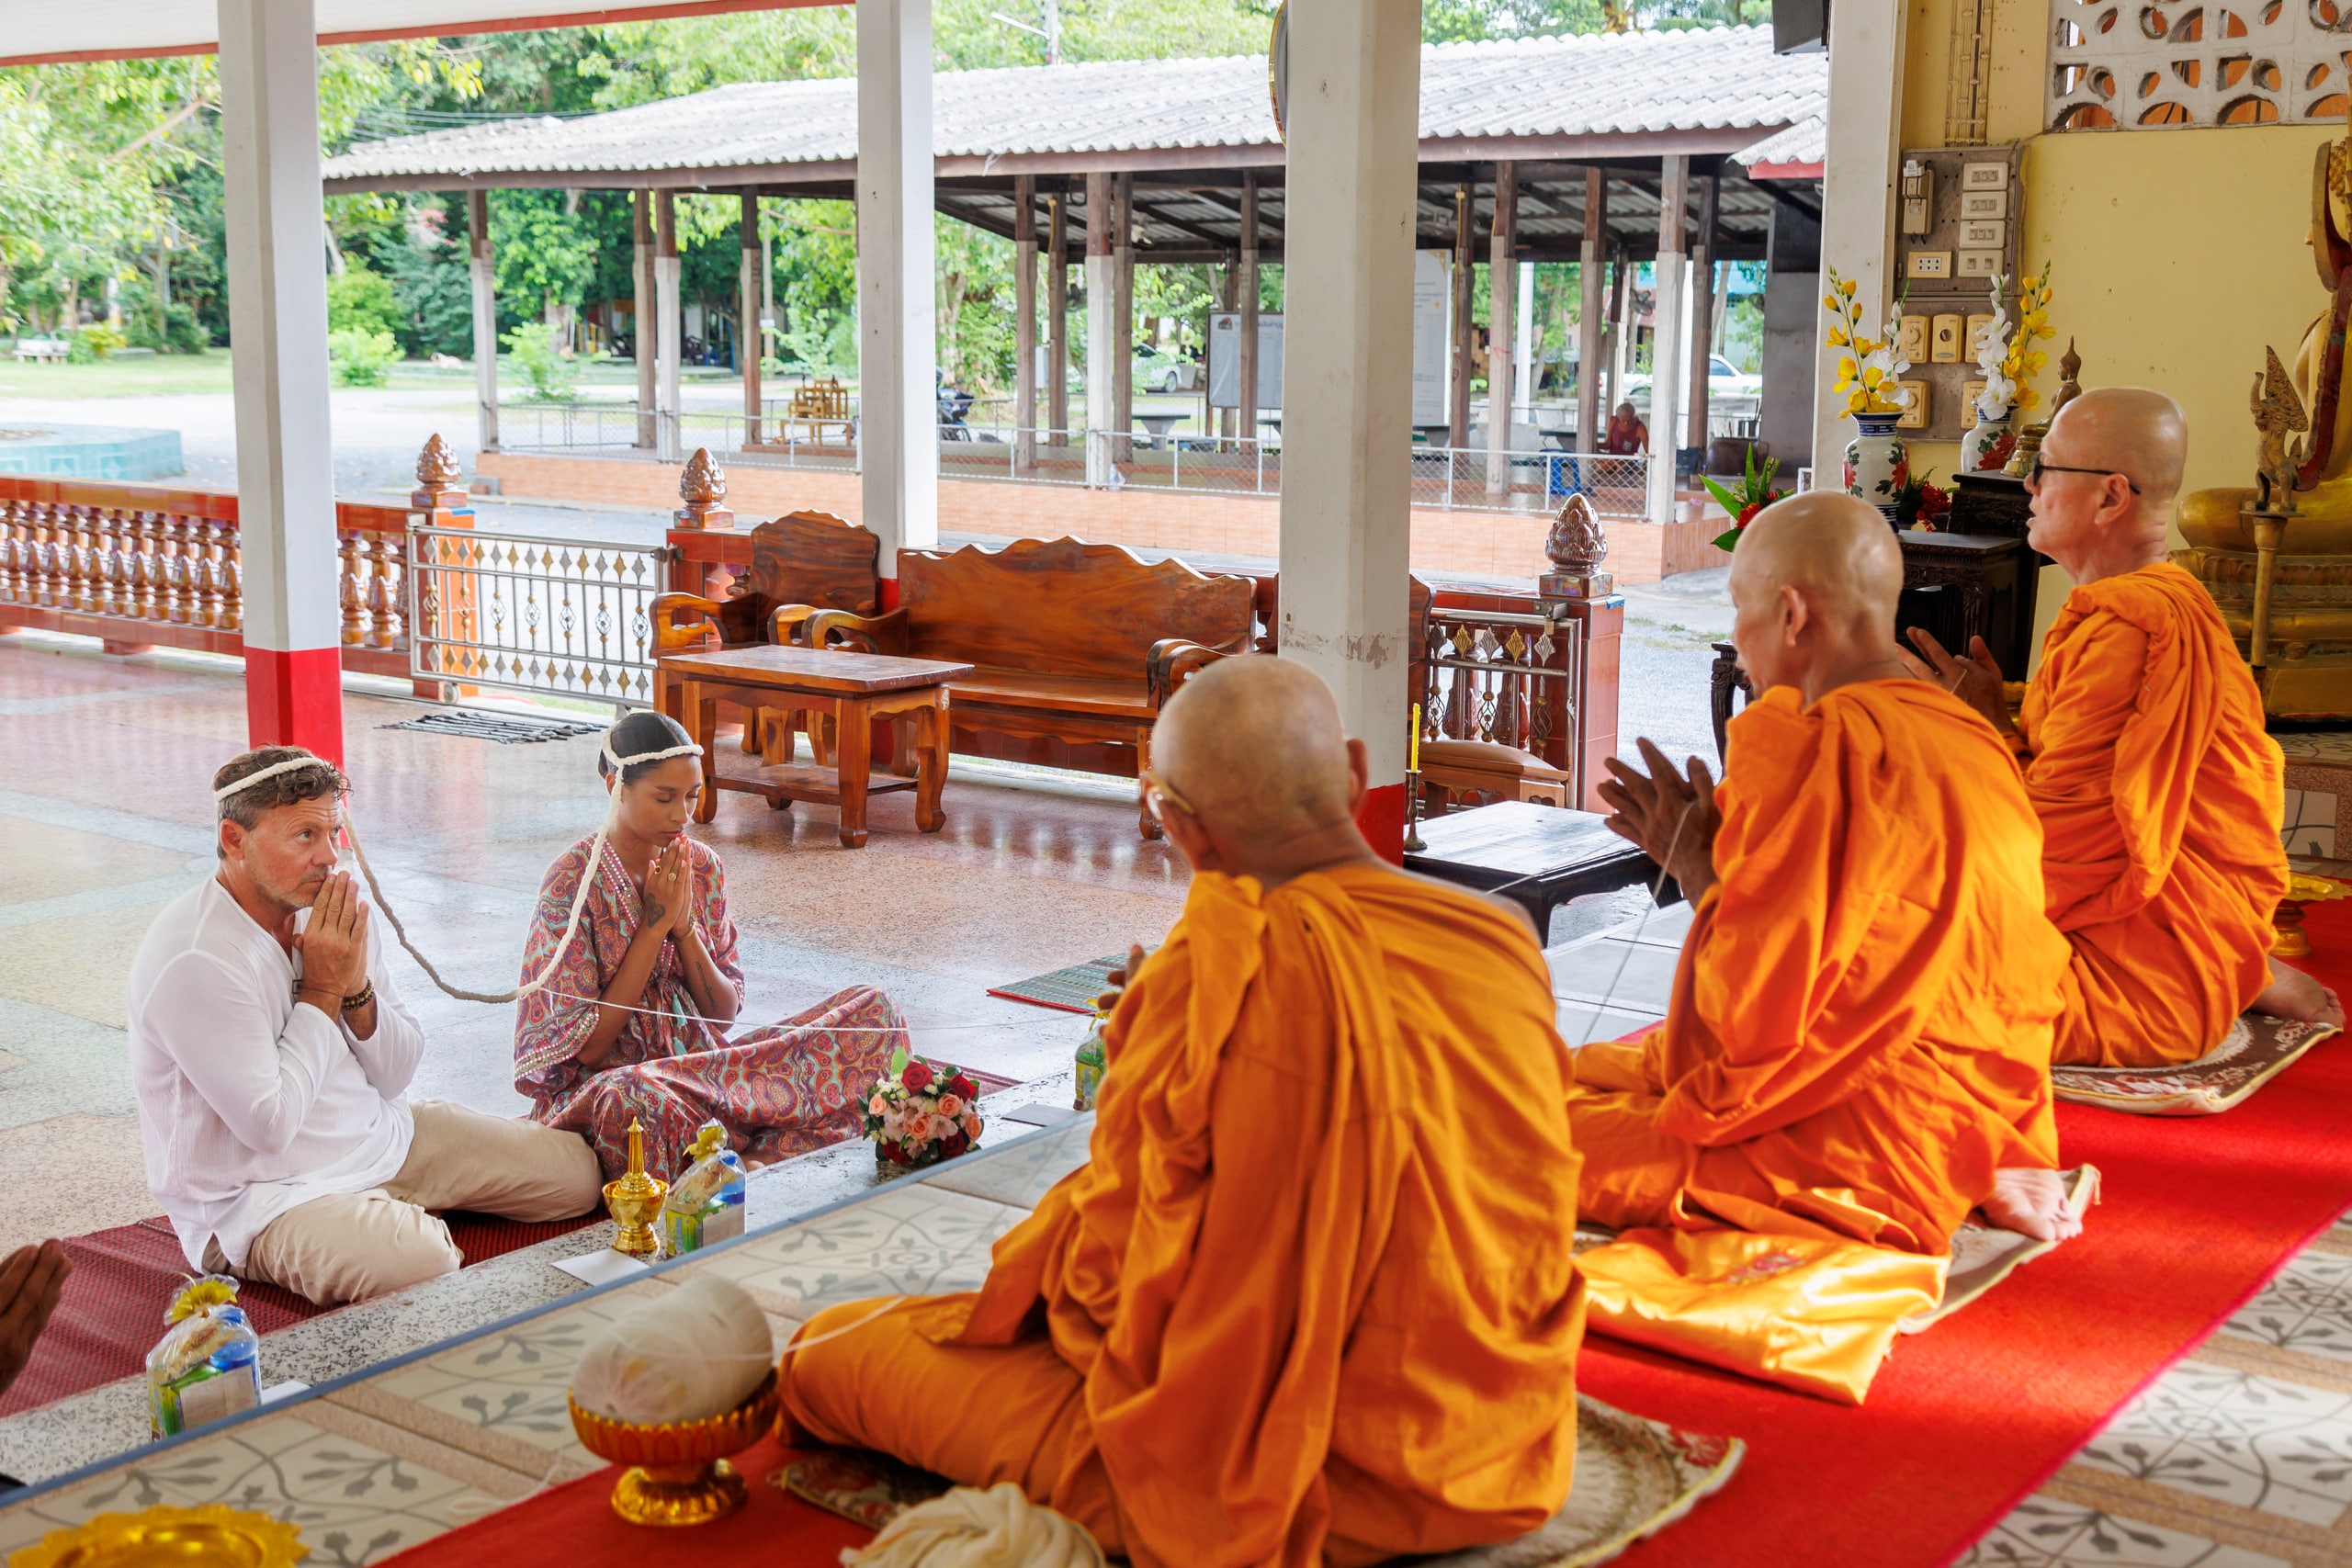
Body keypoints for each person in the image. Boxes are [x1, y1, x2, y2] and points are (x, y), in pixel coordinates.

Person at [778, 659, 1584, 1567]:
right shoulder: (1495, 937)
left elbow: (1109, 1285)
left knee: (825, 1358)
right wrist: (1172, 1034)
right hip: (1501, 1448)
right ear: (1357, 771)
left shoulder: (1208, 974)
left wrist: (1167, 1041)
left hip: (1292, 1475)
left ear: (1178, 827)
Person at [1582, 492, 2081, 1249]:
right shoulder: (1971, 734)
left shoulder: (1804, 746)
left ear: (1790, 614)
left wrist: (1694, 867)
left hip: (1850, 1140)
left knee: (1521, 1122)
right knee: (1588, 1068)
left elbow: (1751, 1022)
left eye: (1739, 608)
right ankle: (1979, 1162)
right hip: (1976, 1109)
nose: (1737, 638)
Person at [1903, 389, 2344, 1066]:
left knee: (1875, 965)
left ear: (2111, 498)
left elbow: (2056, 853)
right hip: (2174, 934)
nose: (2029, 483)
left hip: (2139, 977)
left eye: (2045, 467)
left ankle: (2229, 974)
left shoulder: (2130, 628)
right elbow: (2082, 800)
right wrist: (1992, 722)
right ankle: (2236, 969)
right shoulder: (2169, 605)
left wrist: (1967, 747)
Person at [128, 749, 604, 1307]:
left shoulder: (329, 908)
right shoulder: (196, 957)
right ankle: (381, 1224)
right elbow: (270, 1127)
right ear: (235, 840)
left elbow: (396, 1076)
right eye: (304, 835)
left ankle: (382, 1211)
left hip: (381, 1138)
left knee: (579, 1178)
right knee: (424, 1263)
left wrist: (354, 993)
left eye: (333, 832)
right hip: (264, 1199)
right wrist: (324, 989)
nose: (329, 857)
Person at [514, 710, 909, 1180]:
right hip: (624, 1088)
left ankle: (737, 1158)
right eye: (664, 798)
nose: (683, 815)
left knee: (874, 1016)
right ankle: (755, 1151)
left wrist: (684, 932)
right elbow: (589, 1051)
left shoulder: (702, 866)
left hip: (712, 1075)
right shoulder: (570, 883)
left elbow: (721, 1017)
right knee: (632, 1098)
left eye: (693, 797)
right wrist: (653, 929)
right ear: (615, 786)